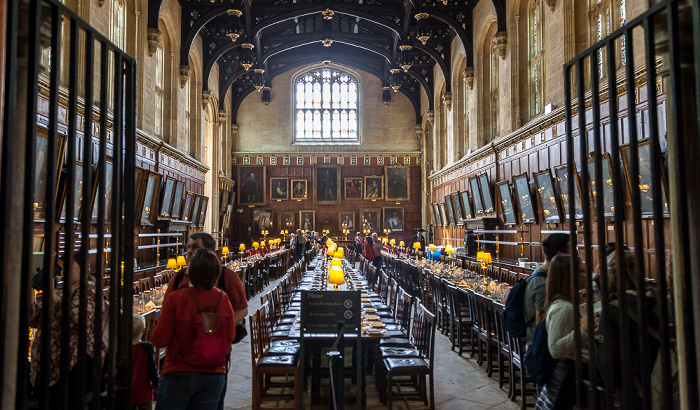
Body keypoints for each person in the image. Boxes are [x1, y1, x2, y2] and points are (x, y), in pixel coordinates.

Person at [164, 232, 248, 410]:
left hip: (214, 358)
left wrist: (215, 333)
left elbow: (241, 309)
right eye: (188, 248)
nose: (189, 252)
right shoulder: (178, 278)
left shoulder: (227, 277)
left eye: (195, 248)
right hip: (181, 361)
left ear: (209, 252)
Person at [152, 249, 236, 410]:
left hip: (180, 372)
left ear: (190, 271)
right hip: (214, 373)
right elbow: (230, 335)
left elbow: (159, 339)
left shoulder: (176, 299)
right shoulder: (222, 298)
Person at [30, 253, 103, 408]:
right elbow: (34, 318)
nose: (64, 271)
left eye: (70, 266)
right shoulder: (63, 291)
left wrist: (50, 292)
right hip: (50, 371)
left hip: (71, 368)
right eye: (64, 267)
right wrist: (30, 288)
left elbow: (76, 321)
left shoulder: (89, 290)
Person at [537, 254, 589, 409]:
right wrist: (584, 329)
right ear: (570, 277)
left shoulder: (565, 303)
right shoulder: (564, 308)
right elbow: (555, 349)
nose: (587, 275)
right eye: (582, 271)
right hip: (567, 373)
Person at [524, 233, 570, 346]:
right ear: (560, 255)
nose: (577, 255)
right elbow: (540, 322)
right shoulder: (543, 283)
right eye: (573, 251)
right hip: (539, 345)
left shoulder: (539, 273)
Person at [132, 314, 159, 410]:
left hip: (128, 390)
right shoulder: (147, 347)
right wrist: (156, 383)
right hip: (144, 390)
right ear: (144, 330)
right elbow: (152, 368)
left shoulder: (122, 347)